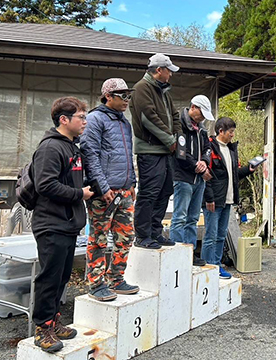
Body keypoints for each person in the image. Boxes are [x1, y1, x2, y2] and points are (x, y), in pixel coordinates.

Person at [32, 97, 93, 353]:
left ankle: (54, 321)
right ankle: (42, 328)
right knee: (49, 278)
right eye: (81, 116)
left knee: (62, 277)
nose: (85, 121)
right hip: (51, 224)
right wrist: (79, 194)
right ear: (64, 119)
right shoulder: (50, 148)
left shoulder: (72, 147)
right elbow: (44, 184)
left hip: (68, 224)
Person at [81, 78, 139, 302]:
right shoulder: (94, 119)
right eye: (122, 95)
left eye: (128, 95)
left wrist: (132, 183)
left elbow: (128, 155)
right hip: (103, 193)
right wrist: (103, 187)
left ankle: (116, 279)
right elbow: (89, 154)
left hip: (125, 191)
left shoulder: (125, 122)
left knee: (126, 236)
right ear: (107, 96)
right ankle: (96, 283)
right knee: (99, 237)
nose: (126, 100)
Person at [129, 53, 182, 249]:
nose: (170, 75)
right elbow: (147, 117)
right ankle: (142, 235)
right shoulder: (142, 88)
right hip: (150, 150)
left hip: (166, 150)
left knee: (165, 190)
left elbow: (175, 116)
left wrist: (178, 138)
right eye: (169, 71)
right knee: (149, 192)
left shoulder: (164, 92)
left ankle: (155, 232)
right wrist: (170, 139)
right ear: (159, 70)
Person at [202, 117, 255, 279]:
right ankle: (207, 267)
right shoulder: (210, 148)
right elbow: (206, 175)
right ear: (221, 131)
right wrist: (209, 198)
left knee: (221, 235)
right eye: (230, 132)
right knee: (210, 235)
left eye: (233, 132)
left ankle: (217, 265)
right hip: (213, 200)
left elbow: (234, 175)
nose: (232, 135)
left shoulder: (231, 150)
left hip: (228, 200)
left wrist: (249, 169)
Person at [170, 95, 214, 265]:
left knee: (193, 218)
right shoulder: (180, 124)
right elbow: (180, 152)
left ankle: (189, 253)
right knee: (180, 216)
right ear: (193, 107)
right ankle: (177, 254)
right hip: (182, 177)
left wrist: (204, 162)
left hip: (199, 179)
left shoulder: (201, 129)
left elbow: (208, 148)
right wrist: (196, 164)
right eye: (201, 113)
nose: (202, 118)